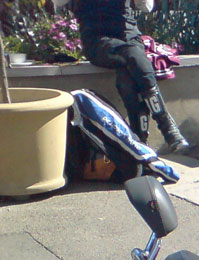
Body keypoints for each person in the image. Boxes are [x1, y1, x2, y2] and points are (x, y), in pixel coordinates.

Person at [59, 0, 189, 153]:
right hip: (97, 38)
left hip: (129, 35)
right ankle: (166, 126)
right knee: (133, 55)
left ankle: (140, 143)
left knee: (127, 75)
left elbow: (147, 7)